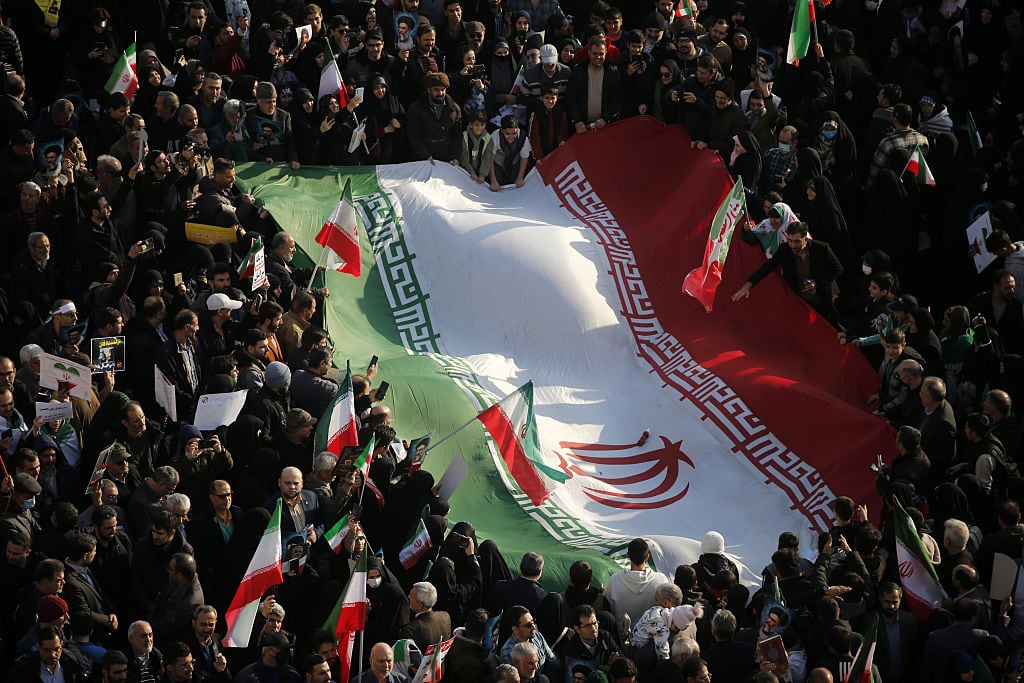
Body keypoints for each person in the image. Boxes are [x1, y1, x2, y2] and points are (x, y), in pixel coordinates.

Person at [732, 222, 844, 324]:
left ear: (805, 238)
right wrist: (749, 284)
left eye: (797, 241)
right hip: (799, 302)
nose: (793, 245)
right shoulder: (784, 250)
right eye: (790, 240)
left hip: (822, 301)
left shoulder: (821, 248)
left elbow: (837, 268)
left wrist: (817, 283)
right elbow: (768, 266)